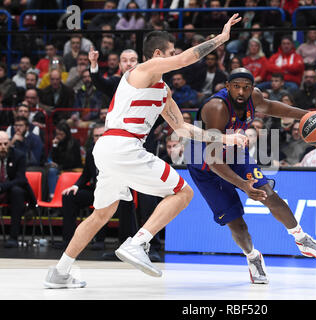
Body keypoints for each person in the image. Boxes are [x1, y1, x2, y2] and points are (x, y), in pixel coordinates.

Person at [44, 14, 247, 289]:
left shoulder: (163, 91)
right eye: (171, 53)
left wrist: (226, 139)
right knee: (183, 192)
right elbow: (186, 59)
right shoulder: (142, 70)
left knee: (102, 214)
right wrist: (221, 39)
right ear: (158, 54)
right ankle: (138, 242)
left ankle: (60, 271)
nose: (175, 58)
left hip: (107, 149)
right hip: (123, 145)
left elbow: (184, 130)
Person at [186, 68, 316, 285]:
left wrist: (306, 115)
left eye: (246, 87)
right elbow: (213, 159)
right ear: (227, 87)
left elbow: (272, 106)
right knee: (236, 224)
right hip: (206, 166)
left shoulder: (253, 97)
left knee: (269, 194)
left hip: (235, 154)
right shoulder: (216, 108)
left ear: (252, 88)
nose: (241, 91)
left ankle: (302, 239)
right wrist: (243, 185)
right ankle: (252, 257)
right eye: (236, 86)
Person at [59, 123, 136, 251]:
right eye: (96, 136)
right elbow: (85, 175)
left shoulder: (117, 152)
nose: (99, 138)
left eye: (102, 135)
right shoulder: (90, 152)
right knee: (69, 196)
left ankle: (108, 242)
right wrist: (76, 186)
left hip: (115, 190)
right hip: (96, 189)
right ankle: (68, 240)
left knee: (120, 201)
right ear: (92, 138)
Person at [0, 131, 36, 248]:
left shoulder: (19, 155)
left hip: (12, 191)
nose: (3, 147)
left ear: (10, 143)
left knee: (17, 191)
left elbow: (21, 179)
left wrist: (3, 187)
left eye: (6, 144)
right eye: (0, 144)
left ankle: (13, 237)